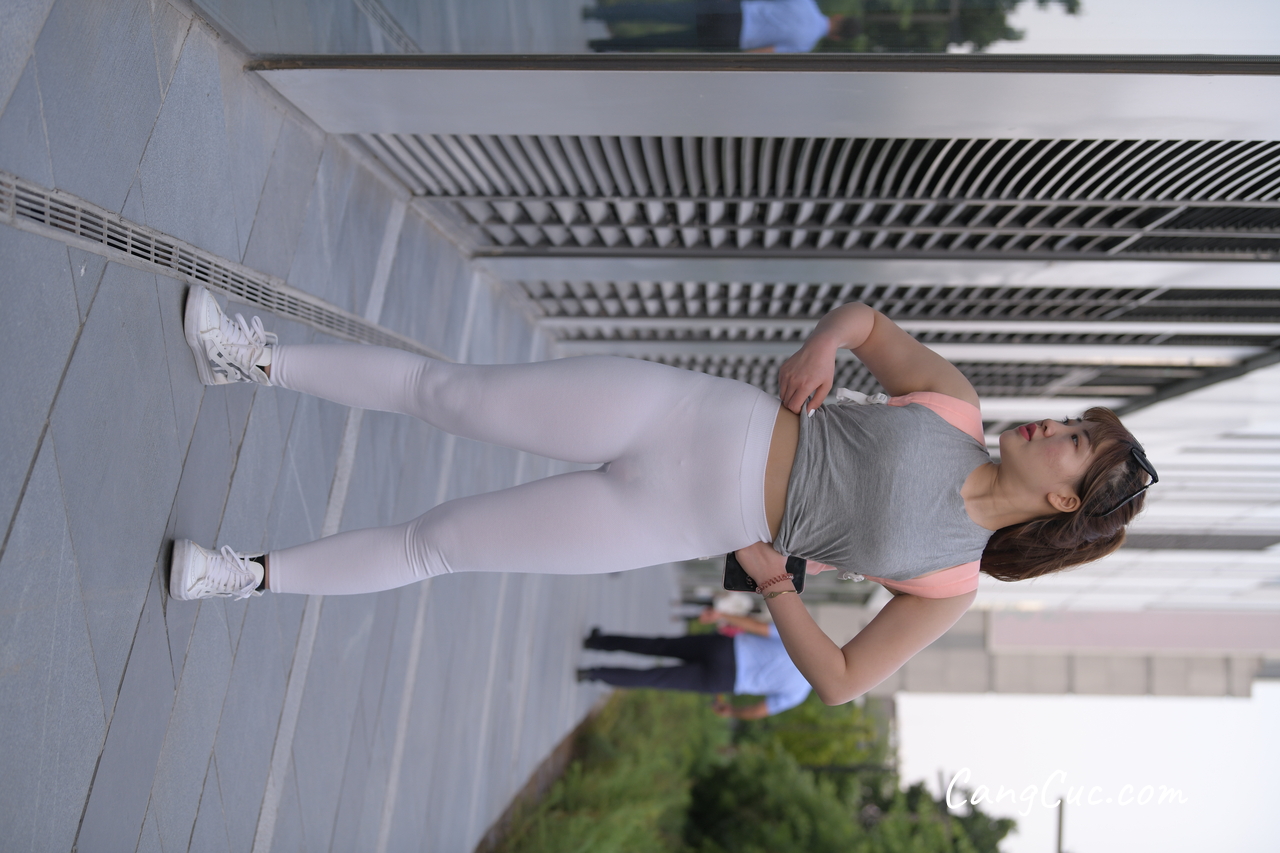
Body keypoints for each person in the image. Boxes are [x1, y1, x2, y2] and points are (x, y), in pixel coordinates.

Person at [171, 285, 1154, 705]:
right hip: (686, 413)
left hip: (674, 519)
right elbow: (864, 320)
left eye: (1073, 441)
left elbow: (843, 679)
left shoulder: (947, 583)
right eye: (1072, 420)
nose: (1051, 426)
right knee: (451, 392)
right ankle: (251, 357)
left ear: (1064, 504)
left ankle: (243, 575)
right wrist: (821, 345)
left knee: (442, 543)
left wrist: (777, 588)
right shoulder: (953, 406)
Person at [578, 609, 812, 719]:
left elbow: (759, 628)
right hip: (724, 680)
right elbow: (760, 710)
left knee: (659, 646)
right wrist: (731, 711)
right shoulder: (798, 693)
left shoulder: (802, 645)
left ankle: (597, 642)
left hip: (723, 648)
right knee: (656, 679)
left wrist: (723, 615)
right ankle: (593, 674)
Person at [584, 0, 858, 54]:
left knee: (663, 11)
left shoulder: (806, 4)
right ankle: (603, 45)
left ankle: (599, 13)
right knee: (668, 41)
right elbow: (766, 52)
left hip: (731, 9)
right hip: (731, 38)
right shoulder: (805, 45)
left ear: (837, 18)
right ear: (836, 37)